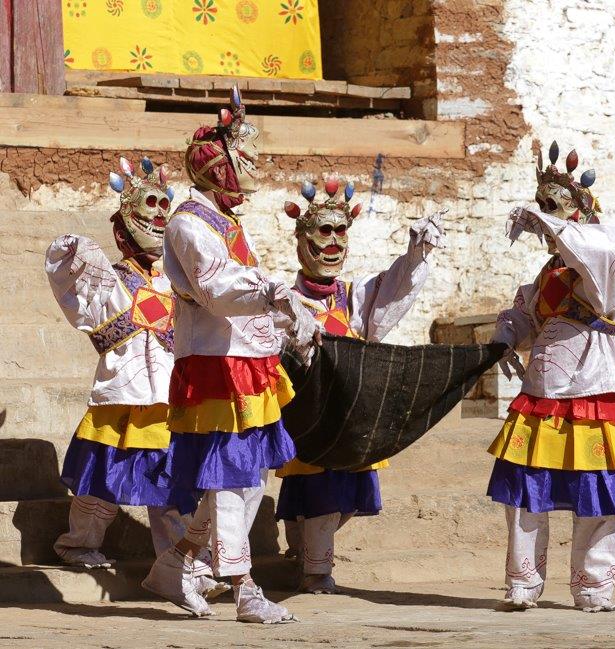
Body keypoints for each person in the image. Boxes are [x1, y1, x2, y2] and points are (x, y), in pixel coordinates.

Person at [141, 88, 320, 622]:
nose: (253, 163)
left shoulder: (225, 221)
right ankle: (242, 585)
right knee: (233, 479)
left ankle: (176, 563)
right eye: (244, 155)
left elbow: (247, 292)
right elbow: (218, 288)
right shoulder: (189, 224)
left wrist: (288, 317)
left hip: (246, 362)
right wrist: (271, 291)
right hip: (216, 364)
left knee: (246, 476)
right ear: (219, 165)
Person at [485, 142, 615, 612]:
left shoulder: (603, 261)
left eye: (555, 208)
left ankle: (593, 587)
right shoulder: (547, 274)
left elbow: (597, 246)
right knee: (525, 492)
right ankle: (523, 583)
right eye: (541, 208)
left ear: (580, 214)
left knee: (599, 493)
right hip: (542, 393)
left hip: (592, 388)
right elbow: (522, 315)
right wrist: (505, 338)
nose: (546, 219)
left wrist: (556, 223)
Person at [44, 157, 220, 580]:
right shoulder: (108, 277)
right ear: (122, 227)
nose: (160, 215)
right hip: (123, 390)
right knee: (101, 478)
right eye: (150, 206)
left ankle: (182, 566)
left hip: (169, 395)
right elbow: (72, 280)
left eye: (165, 206)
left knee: (170, 483)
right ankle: (78, 542)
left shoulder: (177, 282)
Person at [273, 178, 446, 594]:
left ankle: (304, 550)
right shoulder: (282, 299)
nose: (333, 241)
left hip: (348, 417)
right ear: (302, 239)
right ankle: (316, 569)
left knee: (346, 497)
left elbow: (394, 288)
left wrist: (416, 252)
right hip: (305, 418)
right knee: (318, 492)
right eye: (324, 231)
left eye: (341, 231)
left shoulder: (353, 297)